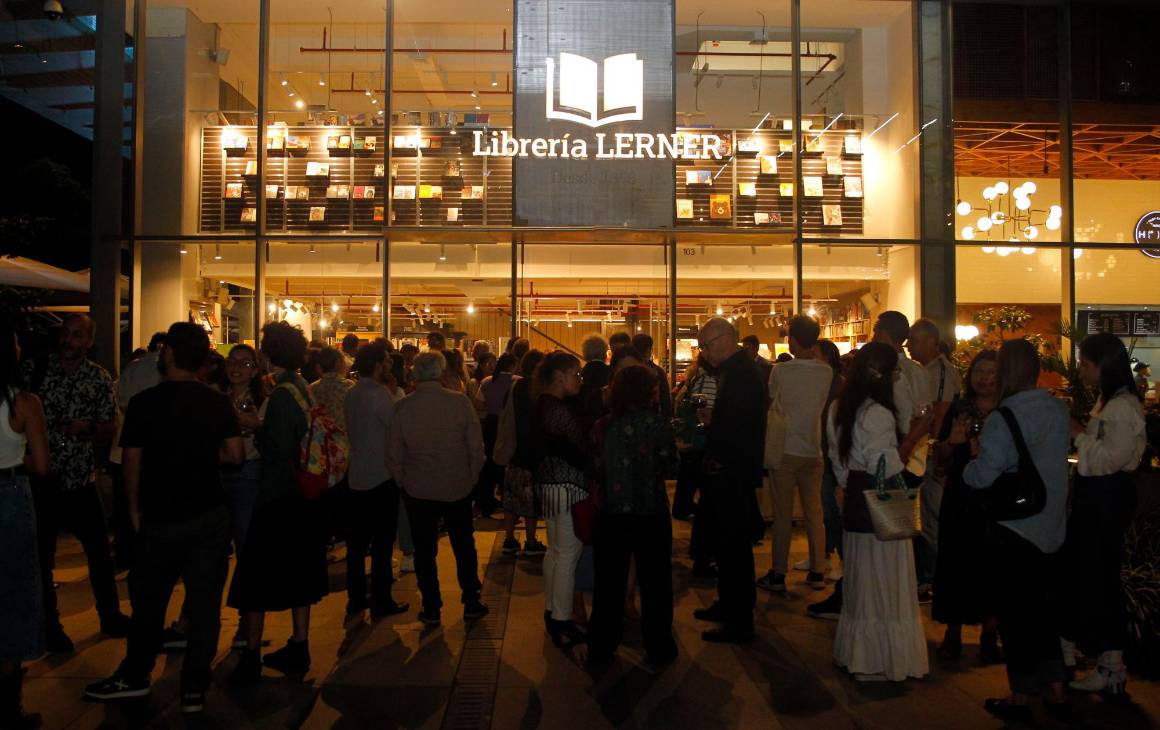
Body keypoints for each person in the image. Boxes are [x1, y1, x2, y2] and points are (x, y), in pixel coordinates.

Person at [83, 323, 243, 713]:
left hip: (161, 515)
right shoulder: (216, 402)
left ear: (168, 353)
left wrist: (133, 508)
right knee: (204, 606)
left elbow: (132, 460)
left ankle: (137, 674)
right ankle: (193, 687)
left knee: (149, 602)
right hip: (208, 512)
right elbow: (235, 455)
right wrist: (204, 456)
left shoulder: (145, 404)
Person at [963, 339, 1070, 723]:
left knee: (1017, 614)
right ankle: (1056, 686)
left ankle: (1022, 694)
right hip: (1052, 522)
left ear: (1006, 372)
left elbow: (985, 473)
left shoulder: (1004, 417)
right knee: (1044, 610)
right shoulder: (1058, 409)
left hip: (1015, 525)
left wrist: (969, 464)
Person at [228, 322, 329, 683]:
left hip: (278, 495)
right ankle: (299, 645)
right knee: (299, 573)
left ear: (268, 353)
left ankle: (251, 654)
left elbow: (279, 448)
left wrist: (255, 427)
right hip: (303, 495)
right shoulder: (301, 387)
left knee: (255, 579)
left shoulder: (283, 394)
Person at [826, 342, 931, 682]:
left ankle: (860, 655)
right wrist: (915, 434)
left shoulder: (839, 408)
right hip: (880, 500)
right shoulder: (878, 413)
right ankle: (881, 660)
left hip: (857, 497)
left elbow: (838, 460)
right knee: (886, 580)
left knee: (862, 581)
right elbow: (883, 464)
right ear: (883, 376)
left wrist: (846, 486)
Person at [25, 314, 128, 652]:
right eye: (67, 334)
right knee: (43, 556)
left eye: (78, 335)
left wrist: (87, 428)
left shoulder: (97, 378)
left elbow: (110, 425)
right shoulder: (36, 372)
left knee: (98, 552)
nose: (70, 340)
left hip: (81, 477)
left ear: (88, 341)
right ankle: (49, 626)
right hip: (43, 477)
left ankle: (110, 616)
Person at [1062, 333, 1146, 696]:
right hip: (1099, 497)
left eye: (1085, 363)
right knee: (1091, 578)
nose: (1080, 369)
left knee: (1101, 580)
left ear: (1103, 366)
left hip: (1106, 498)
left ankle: (1111, 667)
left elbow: (1109, 460)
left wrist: (1079, 434)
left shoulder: (1122, 408)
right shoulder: (1109, 402)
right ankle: (1101, 661)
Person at [387, 351, 489, 626]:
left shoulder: (403, 407)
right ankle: (471, 599)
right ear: (442, 373)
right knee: (463, 544)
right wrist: (472, 476)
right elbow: (475, 446)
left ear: (414, 375)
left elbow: (394, 454)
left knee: (424, 549)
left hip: (418, 488)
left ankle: (431, 605)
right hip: (456, 484)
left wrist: (402, 480)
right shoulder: (459, 403)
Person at [588, 365, 679, 666]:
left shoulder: (603, 426)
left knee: (608, 582)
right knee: (656, 583)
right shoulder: (658, 425)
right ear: (648, 391)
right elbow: (670, 466)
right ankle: (658, 646)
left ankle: (601, 646)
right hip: (650, 510)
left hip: (612, 512)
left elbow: (596, 466)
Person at [691, 318, 765, 644]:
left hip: (732, 471)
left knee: (734, 548)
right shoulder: (737, 371)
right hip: (730, 468)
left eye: (706, 345)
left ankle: (739, 619)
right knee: (726, 545)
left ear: (725, 339)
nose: (704, 352)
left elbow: (738, 426)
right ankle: (729, 605)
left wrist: (713, 429)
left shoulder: (742, 375)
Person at [931, 351, 1001, 663]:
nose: (984, 378)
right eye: (979, 371)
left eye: (991, 372)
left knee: (993, 564)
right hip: (961, 492)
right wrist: (953, 442)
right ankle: (953, 632)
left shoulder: (1007, 409)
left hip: (997, 495)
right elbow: (941, 459)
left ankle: (990, 635)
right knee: (955, 561)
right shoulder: (959, 408)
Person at [757, 315, 833, 593]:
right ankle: (817, 571)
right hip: (813, 449)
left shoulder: (781, 371)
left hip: (786, 449)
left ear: (793, 339)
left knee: (782, 514)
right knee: (815, 513)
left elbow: (773, 400)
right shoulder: (826, 372)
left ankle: (778, 573)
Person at [0, 323, 50, 729]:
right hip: (11, 493)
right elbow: (42, 463)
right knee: (14, 590)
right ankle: (8, 699)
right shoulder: (24, 402)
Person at [343, 343, 409, 619]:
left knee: (356, 545)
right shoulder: (379, 395)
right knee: (382, 543)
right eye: (386, 362)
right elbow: (396, 427)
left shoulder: (352, 393)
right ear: (378, 365)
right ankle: (381, 598)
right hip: (380, 475)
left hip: (356, 473)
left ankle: (356, 597)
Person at [872, 311, 934, 604]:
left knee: (897, 523)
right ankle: (909, 582)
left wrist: (905, 443)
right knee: (902, 520)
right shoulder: (915, 371)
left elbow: (921, 417)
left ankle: (909, 582)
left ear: (883, 332)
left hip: (899, 456)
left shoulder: (895, 371)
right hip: (907, 456)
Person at [533, 351, 590, 647]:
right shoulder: (558, 410)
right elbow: (579, 451)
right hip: (568, 487)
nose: (579, 379)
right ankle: (561, 619)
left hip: (550, 487)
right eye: (575, 374)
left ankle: (552, 612)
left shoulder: (541, 405)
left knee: (555, 552)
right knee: (567, 554)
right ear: (560, 377)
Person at [906, 318, 963, 600]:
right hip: (923, 453)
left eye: (914, 340)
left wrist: (935, 448)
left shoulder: (940, 372)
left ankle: (934, 579)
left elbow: (940, 412)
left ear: (931, 341)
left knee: (932, 519)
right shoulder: (924, 371)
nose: (910, 346)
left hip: (931, 453)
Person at [109, 332, 165, 571]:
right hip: (151, 453)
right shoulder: (163, 371)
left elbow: (118, 400)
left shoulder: (133, 369)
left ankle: (126, 554)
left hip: (121, 449)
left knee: (124, 508)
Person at [497, 350, 546, 555]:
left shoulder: (515, 386)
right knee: (531, 499)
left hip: (513, 448)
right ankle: (531, 540)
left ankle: (509, 539)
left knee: (511, 498)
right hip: (533, 449)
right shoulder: (540, 389)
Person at [674, 355, 719, 575]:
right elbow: (706, 414)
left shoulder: (695, 379)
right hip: (702, 444)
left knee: (703, 500)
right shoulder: (709, 381)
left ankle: (700, 553)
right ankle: (702, 557)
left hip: (694, 443)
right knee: (708, 502)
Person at [474, 353, 511, 522]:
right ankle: (508, 502)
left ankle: (485, 502)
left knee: (489, 464)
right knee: (507, 464)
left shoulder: (487, 382)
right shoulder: (516, 380)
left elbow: (479, 403)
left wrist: (492, 405)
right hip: (508, 425)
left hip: (490, 424)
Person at [309, 347, 354, 431]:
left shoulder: (312, 387)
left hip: (321, 437)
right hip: (343, 437)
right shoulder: (348, 385)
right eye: (343, 361)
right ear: (338, 363)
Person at [631, 333, 673, 420]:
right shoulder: (658, 372)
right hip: (653, 419)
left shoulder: (628, 371)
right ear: (649, 350)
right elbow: (665, 401)